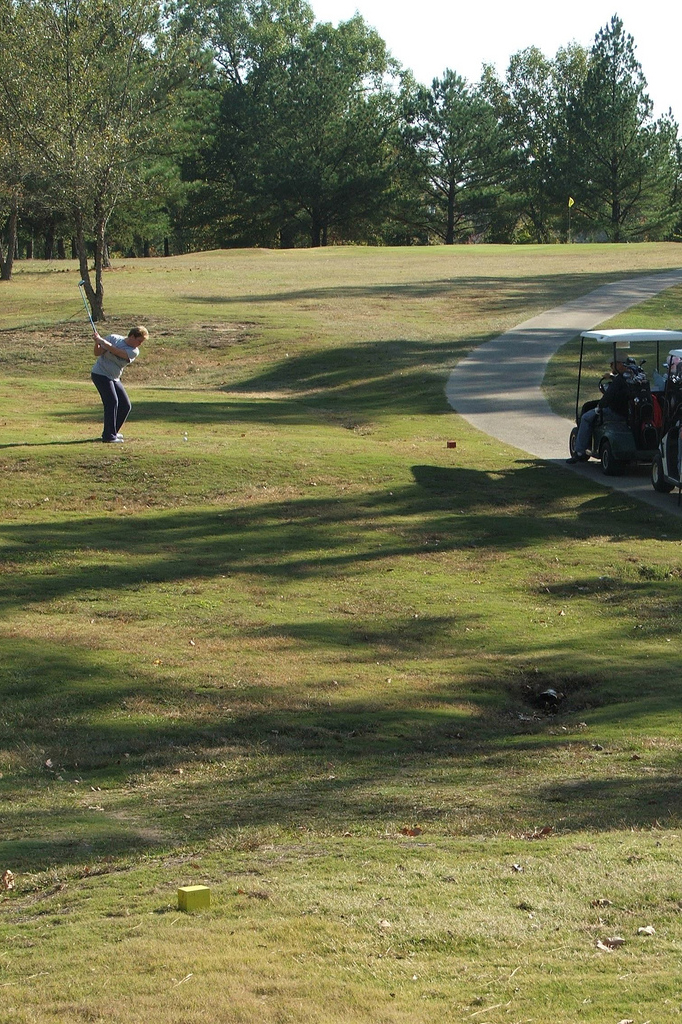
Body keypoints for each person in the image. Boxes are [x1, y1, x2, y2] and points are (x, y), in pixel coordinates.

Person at [567, 354, 632, 463]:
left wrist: (599, 407)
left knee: (586, 417)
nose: (611, 367)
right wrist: (611, 376)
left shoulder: (619, 381)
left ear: (620, 364)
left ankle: (579, 452)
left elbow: (608, 397)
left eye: (612, 364)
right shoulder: (631, 376)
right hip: (627, 412)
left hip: (616, 412)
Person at [91, 326, 148, 442]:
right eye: (139, 341)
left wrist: (102, 341)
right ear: (132, 336)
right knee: (112, 402)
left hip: (114, 377)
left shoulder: (133, 351)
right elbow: (97, 353)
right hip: (100, 374)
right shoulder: (113, 338)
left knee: (125, 405)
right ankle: (109, 436)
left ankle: (112, 431)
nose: (140, 344)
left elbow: (117, 352)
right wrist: (97, 343)